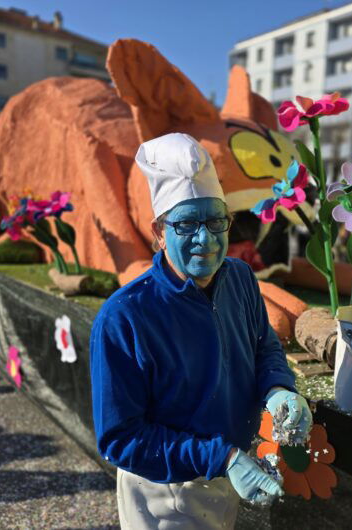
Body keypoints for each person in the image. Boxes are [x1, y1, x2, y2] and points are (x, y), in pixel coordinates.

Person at [90, 133, 313, 529]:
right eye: (187, 224)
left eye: (215, 221)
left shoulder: (240, 278)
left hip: (229, 468)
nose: (206, 239)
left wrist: (279, 389)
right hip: (164, 490)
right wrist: (221, 458)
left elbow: (263, 347)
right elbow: (121, 438)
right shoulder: (124, 317)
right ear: (158, 232)